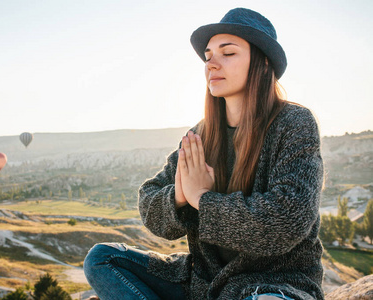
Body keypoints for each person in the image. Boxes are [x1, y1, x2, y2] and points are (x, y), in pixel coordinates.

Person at [83, 7, 324, 300]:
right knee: (101, 258)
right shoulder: (201, 134)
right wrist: (180, 196)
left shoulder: (294, 123)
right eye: (208, 56)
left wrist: (201, 198)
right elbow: (149, 202)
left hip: (272, 284)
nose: (212, 64)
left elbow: (286, 221)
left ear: (261, 62)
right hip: (204, 283)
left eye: (228, 53)